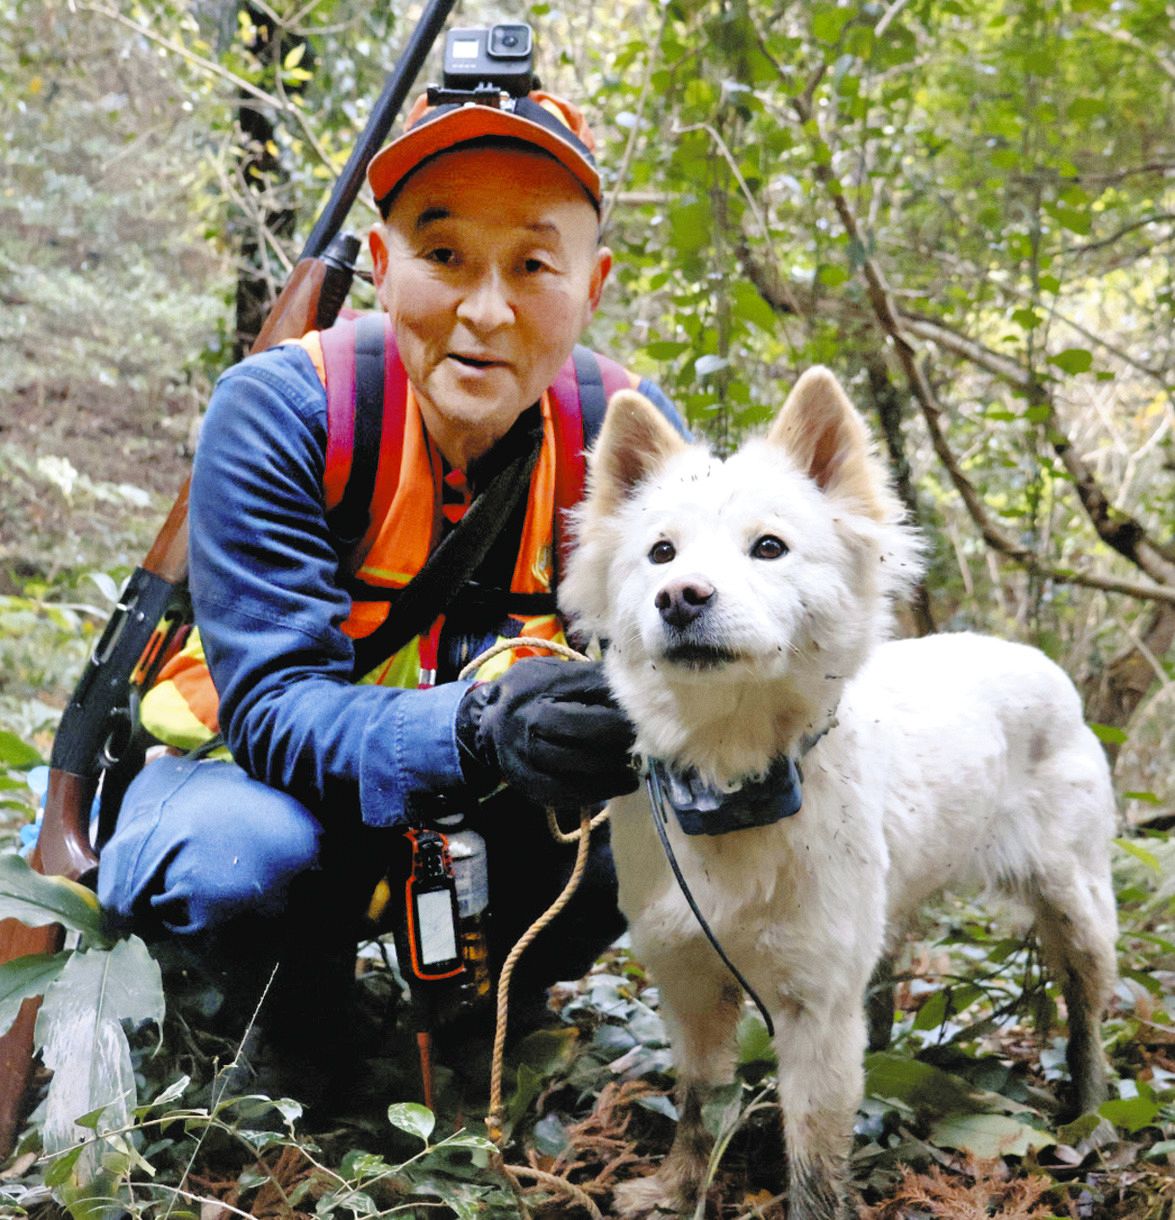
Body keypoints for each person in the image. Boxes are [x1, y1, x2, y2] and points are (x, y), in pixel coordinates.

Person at [96, 87, 684, 1096]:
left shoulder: (619, 427)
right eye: (443, 255)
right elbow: (274, 706)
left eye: (535, 264)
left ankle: (497, 1003)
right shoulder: (283, 409)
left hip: (483, 801)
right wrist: (471, 727)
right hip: (248, 779)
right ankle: (291, 1008)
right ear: (380, 267)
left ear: (592, 285)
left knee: (655, 813)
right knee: (244, 860)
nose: (486, 309)